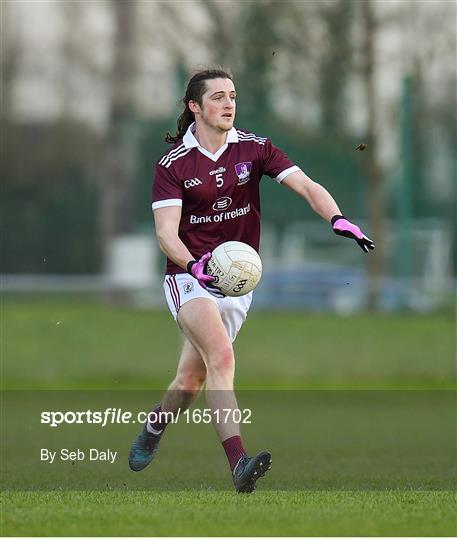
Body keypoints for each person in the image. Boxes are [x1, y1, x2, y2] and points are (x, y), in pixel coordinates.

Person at [128, 67, 374, 493]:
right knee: (221, 358)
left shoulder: (254, 148)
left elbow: (306, 185)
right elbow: (166, 235)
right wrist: (193, 267)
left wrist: (337, 218)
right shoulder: (173, 165)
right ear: (195, 107)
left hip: (238, 284)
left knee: (190, 381)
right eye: (218, 97)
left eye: (233, 96)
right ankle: (239, 462)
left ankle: (153, 426)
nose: (228, 104)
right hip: (189, 278)